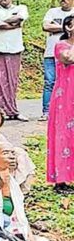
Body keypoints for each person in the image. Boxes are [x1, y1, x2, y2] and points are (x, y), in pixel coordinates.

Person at [0, 0, 29, 121]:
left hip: (14, 49)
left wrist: (5, 21)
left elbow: (20, 18)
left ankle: (12, 110)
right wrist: (13, 24)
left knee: (11, 81)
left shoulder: (21, 7)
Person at [47, 15, 74, 189]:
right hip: (65, 95)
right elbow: (68, 58)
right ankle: (61, 178)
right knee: (64, 132)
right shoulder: (61, 45)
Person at [40, 0, 73, 121]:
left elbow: (51, 27)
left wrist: (57, 27)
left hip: (70, 53)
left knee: (69, 82)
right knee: (50, 82)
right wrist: (65, 27)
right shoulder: (52, 12)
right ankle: (47, 111)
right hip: (51, 53)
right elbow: (45, 26)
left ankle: (67, 111)